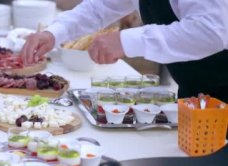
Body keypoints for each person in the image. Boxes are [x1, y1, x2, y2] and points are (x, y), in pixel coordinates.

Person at [21, 0, 228, 102]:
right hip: (195, 93)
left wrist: (127, 41)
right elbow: (101, 6)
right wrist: (55, 33)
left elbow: (212, 31)